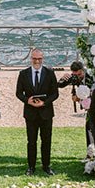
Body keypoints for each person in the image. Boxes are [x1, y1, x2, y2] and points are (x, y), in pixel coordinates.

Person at [15, 47, 59, 175]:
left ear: (42, 59)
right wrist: (27, 100)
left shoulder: (50, 73)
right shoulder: (23, 74)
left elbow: (55, 93)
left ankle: (46, 166)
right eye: (34, 58)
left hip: (46, 113)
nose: (37, 61)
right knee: (31, 141)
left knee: (46, 141)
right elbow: (18, 93)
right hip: (30, 113)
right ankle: (31, 167)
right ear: (31, 58)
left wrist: (44, 103)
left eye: (39, 59)